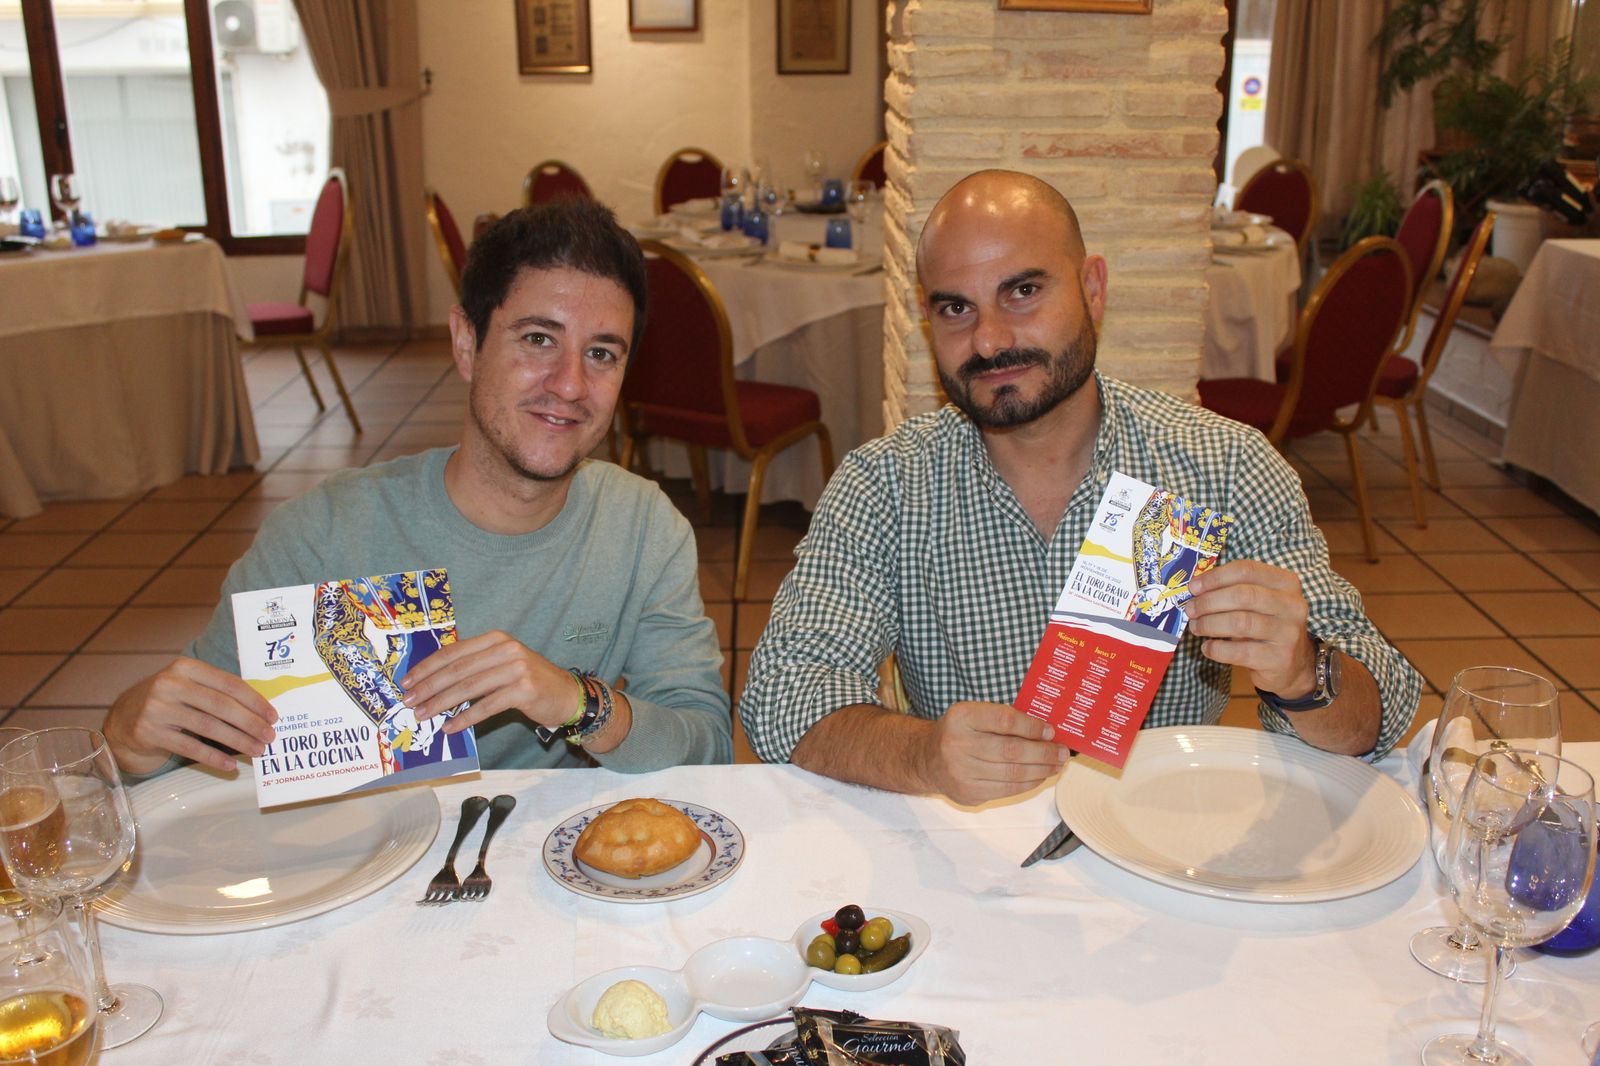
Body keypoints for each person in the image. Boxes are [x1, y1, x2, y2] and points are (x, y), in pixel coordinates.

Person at [739, 170, 1420, 806]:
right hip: (971, 858)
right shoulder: (886, 485)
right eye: (956, 308)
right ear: (927, 321)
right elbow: (780, 697)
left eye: (1024, 291)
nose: (989, 340)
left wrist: (1305, 673)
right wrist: (923, 755)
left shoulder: (1221, 466)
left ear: (1093, 289)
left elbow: (1382, 713)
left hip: (1164, 839)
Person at [104, 198, 732, 777]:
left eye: (602, 354)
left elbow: (705, 744)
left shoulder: (643, 527)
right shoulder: (324, 536)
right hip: (357, 865)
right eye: (538, 339)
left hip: (544, 869)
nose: (570, 384)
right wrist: (129, 742)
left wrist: (574, 702)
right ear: (466, 343)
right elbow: (186, 756)